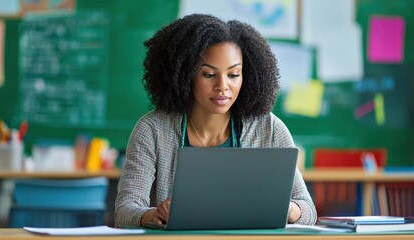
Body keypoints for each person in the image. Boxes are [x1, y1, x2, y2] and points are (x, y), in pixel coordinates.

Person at [115, 13, 317, 227]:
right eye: (209, 74)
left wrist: (286, 207)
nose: (222, 86)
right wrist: (153, 215)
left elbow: (308, 212)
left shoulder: (270, 129)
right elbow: (125, 211)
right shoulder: (152, 130)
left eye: (233, 74)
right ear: (184, 75)